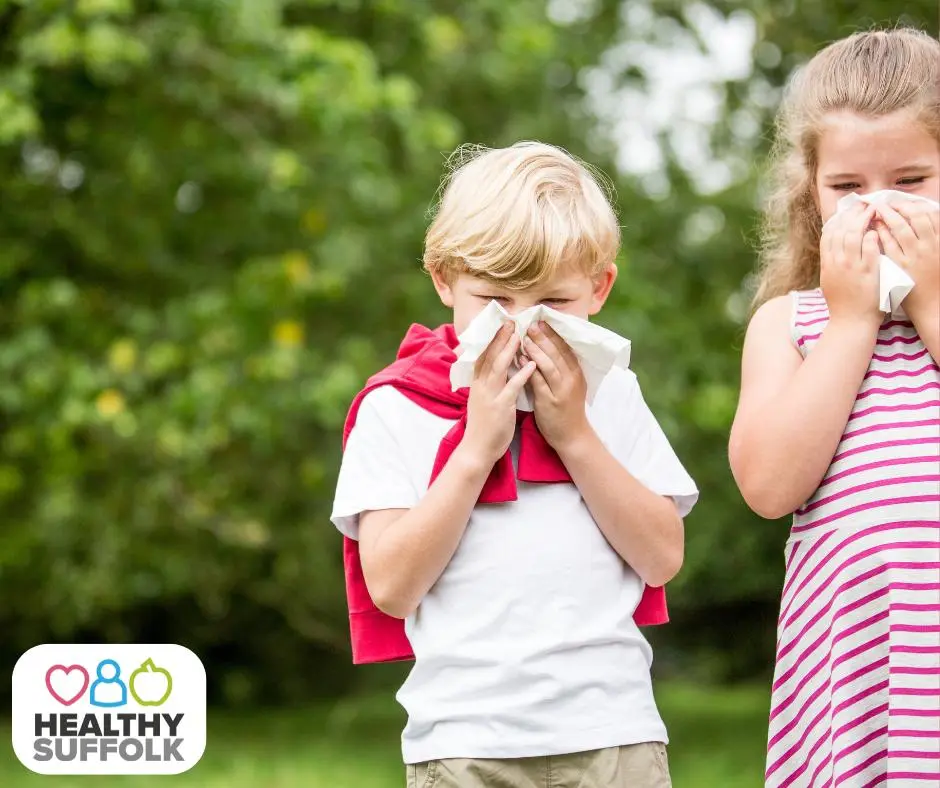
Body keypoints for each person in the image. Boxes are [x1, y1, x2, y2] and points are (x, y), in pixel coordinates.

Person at [331, 141, 698, 787]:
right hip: (465, 742)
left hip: (614, 735)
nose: (524, 327)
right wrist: (477, 449)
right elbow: (390, 587)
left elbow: (662, 557)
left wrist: (577, 436)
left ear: (598, 288)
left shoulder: (613, 394)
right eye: (496, 301)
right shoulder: (397, 406)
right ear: (443, 278)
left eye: (553, 304)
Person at [729, 28, 940, 788]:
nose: (878, 207)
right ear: (811, 195)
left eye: (910, 180)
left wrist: (931, 301)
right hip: (858, 677)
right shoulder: (792, 323)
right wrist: (852, 322)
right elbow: (768, 486)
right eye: (849, 186)